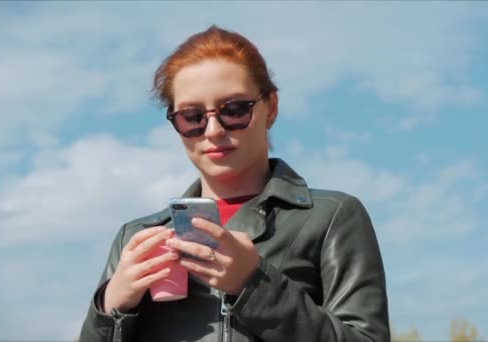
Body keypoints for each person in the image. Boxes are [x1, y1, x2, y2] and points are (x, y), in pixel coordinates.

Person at [79, 25, 389, 342]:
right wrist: (109, 309)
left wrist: (255, 284)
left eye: (235, 110)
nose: (213, 130)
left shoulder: (331, 217)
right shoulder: (136, 237)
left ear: (271, 107)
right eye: (192, 116)